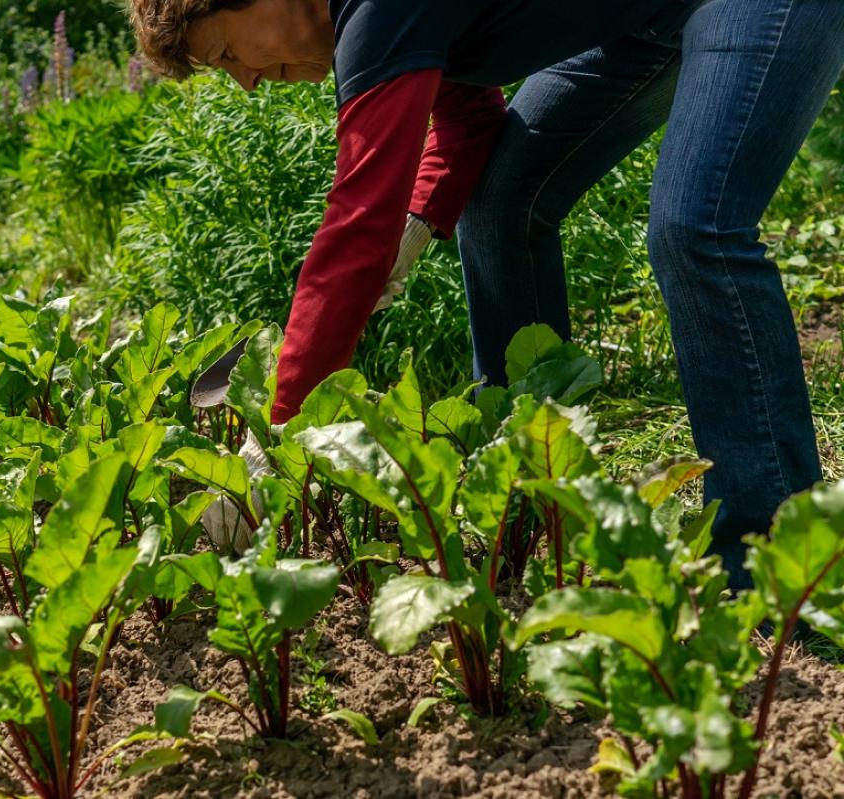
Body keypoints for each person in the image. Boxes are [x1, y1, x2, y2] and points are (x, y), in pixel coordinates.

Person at [129, 0, 844, 587]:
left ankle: (777, 567)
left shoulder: (377, 11)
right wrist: (417, 223)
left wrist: (273, 436)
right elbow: (469, 118)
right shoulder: (376, 20)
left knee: (697, 225)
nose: (247, 83)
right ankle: (528, 503)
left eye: (227, 55)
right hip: (641, 17)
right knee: (504, 198)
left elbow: (355, 226)